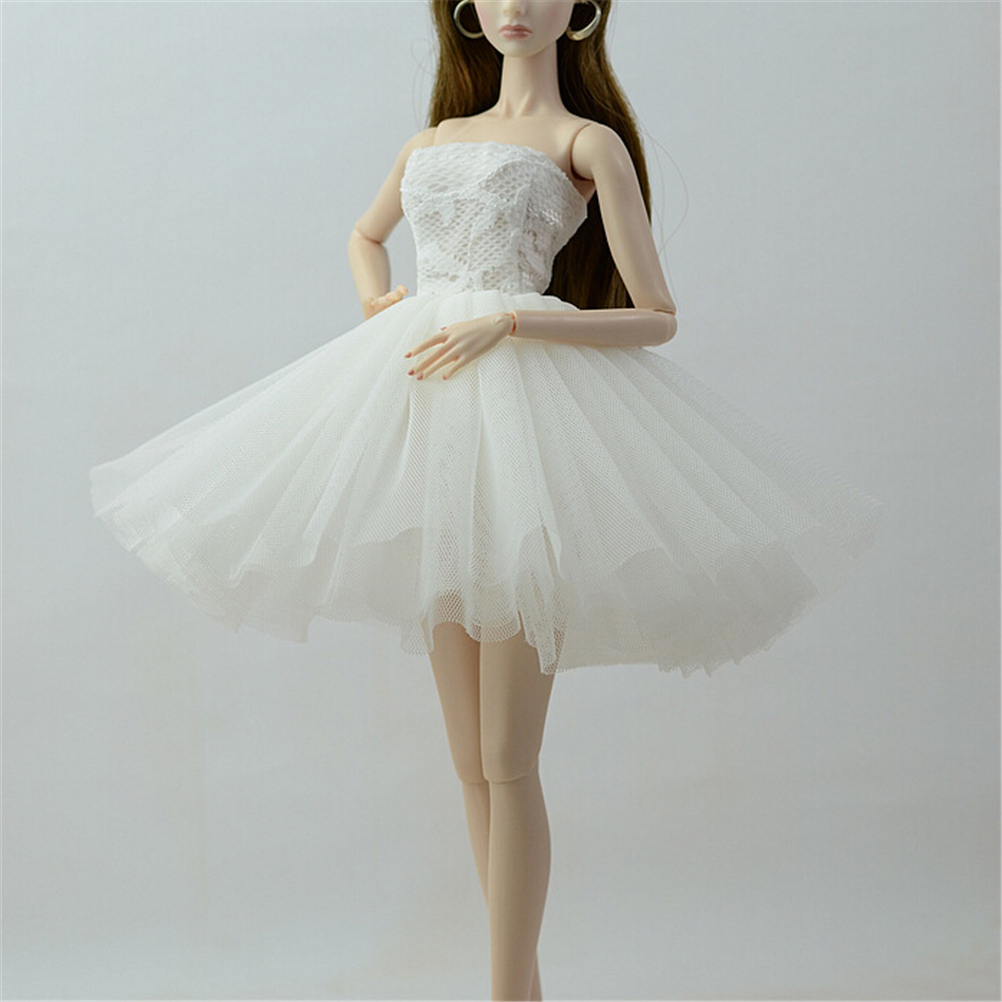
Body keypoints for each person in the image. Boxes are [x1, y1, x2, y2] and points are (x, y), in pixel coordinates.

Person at [89, 1, 883, 998]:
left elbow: (656, 316)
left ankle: (511, 989)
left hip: (523, 423)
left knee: (507, 756)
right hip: (424, 417)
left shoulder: (585, 144)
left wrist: (509, 321)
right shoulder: (433, 140)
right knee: (471, 760)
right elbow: (364, 234)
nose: (515, 6)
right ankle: (518, 987)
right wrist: (379, 299)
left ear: (579, 11)